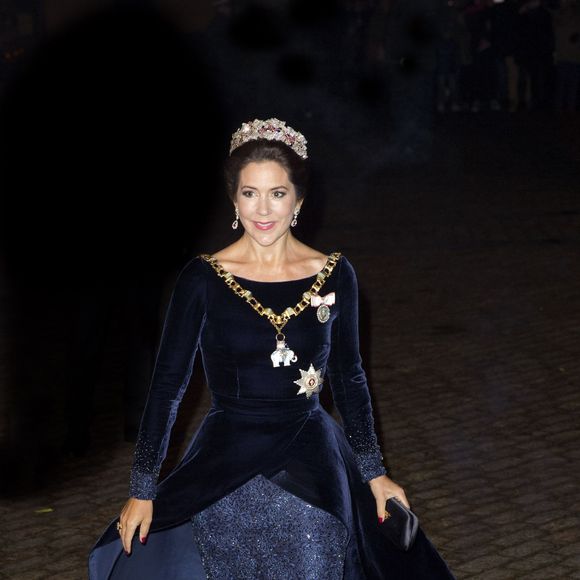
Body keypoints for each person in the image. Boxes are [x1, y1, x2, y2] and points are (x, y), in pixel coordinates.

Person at [88, 118, 455, 579]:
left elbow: (349, 378)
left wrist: (374, 472)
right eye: (250, 193)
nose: (263, 209)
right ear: (233, 199)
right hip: (224, 467)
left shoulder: (335, 273)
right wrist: (143, 487)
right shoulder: (202, 279)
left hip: (312, 463)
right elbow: (166, 387)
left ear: (298, 200)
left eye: (277, 193)